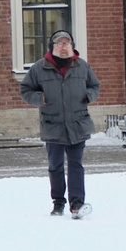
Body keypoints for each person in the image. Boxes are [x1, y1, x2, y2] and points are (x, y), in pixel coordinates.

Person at [18, 29, 100, 217]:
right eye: (59, 44)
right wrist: (42, 99)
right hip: (52, 123)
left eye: (67, 43)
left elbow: (95, 86)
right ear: (52, 47)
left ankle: (77, 203)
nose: (63, 47)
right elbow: (25, 90)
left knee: (76, 165)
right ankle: (58, 202)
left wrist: (88, 96)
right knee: (55, 166)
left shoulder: (82, 66)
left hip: (77, 123)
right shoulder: (39, 68)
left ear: (72, 46)